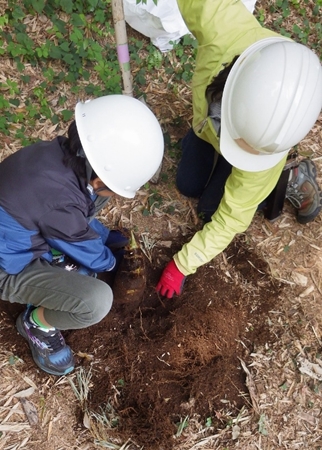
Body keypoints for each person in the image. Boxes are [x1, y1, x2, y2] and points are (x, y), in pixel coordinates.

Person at [156, 0, 322, 299]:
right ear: (227, 86)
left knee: (211, 212)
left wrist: (182, 265)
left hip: (255, 164)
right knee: (187, 185)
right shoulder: (223, 27)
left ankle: (291, 175)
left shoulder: (266, 154)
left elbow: (231, 219)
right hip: (207, 131)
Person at [0, 94, 164, 376]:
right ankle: (36, 324)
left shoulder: (57, 155)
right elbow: (69, 225)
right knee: (96, 302)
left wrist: (99, 234)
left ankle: (57, 256)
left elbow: (63, 214)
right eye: (111, 186)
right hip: (7, 265)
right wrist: (112, 264)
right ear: (98, 179)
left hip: (21, 229)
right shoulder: (61, 203)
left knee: (96, 202)